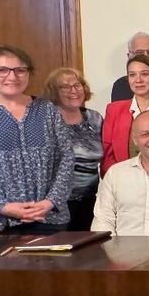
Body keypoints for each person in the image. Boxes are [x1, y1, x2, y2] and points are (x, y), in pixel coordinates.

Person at [0, 46, 73, 235]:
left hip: (47, 218)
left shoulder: (48, 110)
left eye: (20, 70)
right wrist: (3, 206)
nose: (12, 76)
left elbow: (67, 158)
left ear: (28, 74)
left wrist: (50, 202)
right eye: (1, 70)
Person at [42, 67, 103, 231]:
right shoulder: (46, 120)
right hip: (56, 204)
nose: (73, 91)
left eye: (77, 85)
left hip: (90, 201)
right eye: (65, 87)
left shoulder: (95, 118)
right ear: (54, 92)